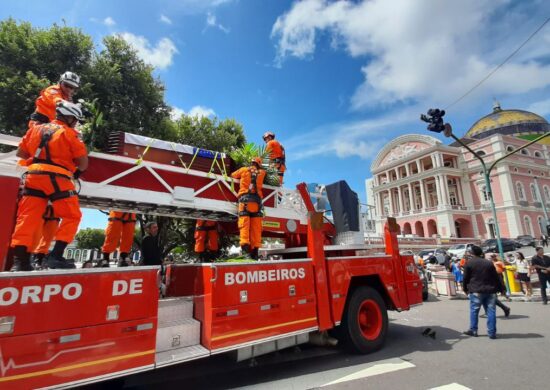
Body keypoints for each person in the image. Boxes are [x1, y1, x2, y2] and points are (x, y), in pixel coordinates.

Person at [10, 101, 88, 271]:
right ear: (68, 117)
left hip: (33, 176)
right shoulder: (70, 133)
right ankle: (55, 256)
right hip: (58, 178)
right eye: (75, 119)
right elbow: (83, 163)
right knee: (72, 216)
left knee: (27, 218)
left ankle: (20, 261)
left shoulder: (35, 129)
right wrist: (75, 173)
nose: (75, 123)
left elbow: (20, 153)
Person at [462, 245, 506, 339]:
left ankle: (473, 330)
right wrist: (502, 288)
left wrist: (465, 289)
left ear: (472, 253)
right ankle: (492, 332)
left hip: (476, 290)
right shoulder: (488, 263)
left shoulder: (469, 263)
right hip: (490, 290)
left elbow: (465, 278)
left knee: (474, 311)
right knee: (491, 311)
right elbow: (496, 277)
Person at [231, 157, 266, 260]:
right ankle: (255, 253)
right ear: (259, 165)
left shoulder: (243, 170)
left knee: (244, 226)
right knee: (256, 229)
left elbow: (233, 175)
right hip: (256, 204)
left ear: (251, 162)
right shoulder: (262, 173)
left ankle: (246, 253)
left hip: (245, 202)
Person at [31, 204, 60, 269]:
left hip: (53, 214)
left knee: (46, 239)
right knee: (34, 237)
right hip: (42, 210)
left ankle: (38, 260)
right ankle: (36, 260)